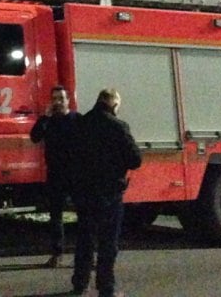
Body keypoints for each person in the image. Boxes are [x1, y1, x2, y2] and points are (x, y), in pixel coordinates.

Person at [71, 88, 142, 297]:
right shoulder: (119, 127)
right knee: (108, 243)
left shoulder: (80, 124)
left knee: (85, 239)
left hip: (84, 192)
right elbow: (135, 160)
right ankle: (106, 287)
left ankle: (80, 283)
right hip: (110, 192)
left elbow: (71, 157)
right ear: (114, 105)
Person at [29, 84, 81, 267]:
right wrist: (44, 117)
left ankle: (87, 255)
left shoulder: (78, 120)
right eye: (55, 99)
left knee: (84, 215)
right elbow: (34, 137)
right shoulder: (48, 121)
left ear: (68, 100)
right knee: (56, 216)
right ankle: (57, 253)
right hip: (55, 174)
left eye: (61, 98)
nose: (58, 102)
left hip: (75, 174)